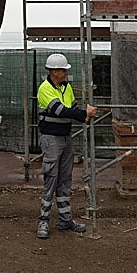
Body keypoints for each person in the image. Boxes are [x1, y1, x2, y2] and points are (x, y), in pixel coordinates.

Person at [36, 52, 96, 240]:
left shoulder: (66, 87)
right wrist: (82, 114)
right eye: (63, 70)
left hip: (65, 137)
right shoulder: (45, 88)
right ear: (54, 71)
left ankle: (65, 220)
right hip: (51, 139)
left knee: (64, 179)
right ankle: (43, 221)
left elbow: (72, 108)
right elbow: (60, 111)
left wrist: (84, 116)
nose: (65, 73)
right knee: (51, 178)